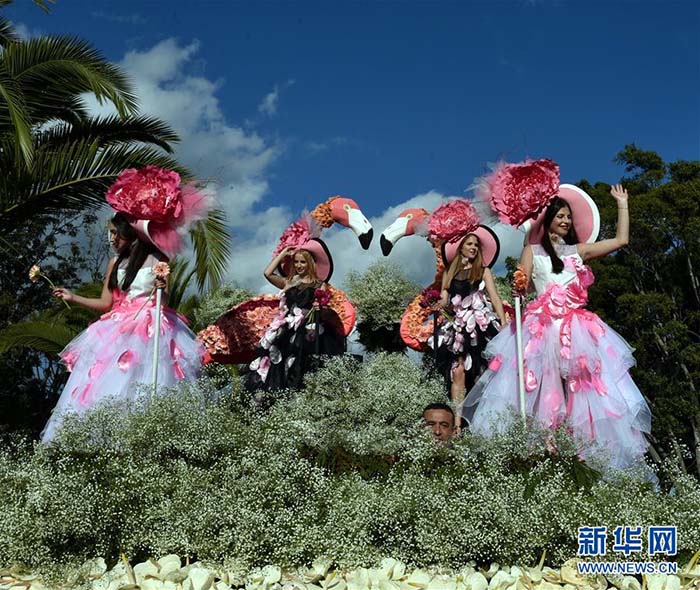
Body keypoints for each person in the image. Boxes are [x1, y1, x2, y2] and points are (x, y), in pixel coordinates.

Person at [465, 184, 652, 471]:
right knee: (540, 384)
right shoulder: (532, 250)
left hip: (575, 330)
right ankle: (545, 442)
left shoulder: (579, 251)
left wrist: (622, 204)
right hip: (541, 327)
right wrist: (518, 284)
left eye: (568, 217)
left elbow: (620, 240)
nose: (565, 221)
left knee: (585, 386)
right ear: (548, 219)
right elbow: (522, 285)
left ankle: (582, 448)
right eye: (560, 216)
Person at [43, 213, 204, 442]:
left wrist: (161, 288)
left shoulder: (160, 259)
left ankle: (147, 436)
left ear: (129, 233)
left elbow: (164, 299)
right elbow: (105, 303)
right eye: (110, 233)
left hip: (151, 324)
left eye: (114, 232)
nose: (111, 239)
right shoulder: (115, 263)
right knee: (108, 380)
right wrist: (73, 297)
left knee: (150, 376)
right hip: (118, 327)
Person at [249, 241, 344, 390]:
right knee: (280, 362)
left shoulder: (320, 284)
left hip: (309, 329)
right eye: (296, 262)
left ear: (310, 264)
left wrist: (320, 307)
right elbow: (267, 273)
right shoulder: (289, 282)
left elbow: (325, 306)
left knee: (304, 363)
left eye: (303, 262)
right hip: (287, 329)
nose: (299, 265)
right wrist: (283, 253)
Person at [435, 227, 506, 405]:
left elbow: (494, 298)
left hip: (480, 326)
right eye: (469, 244)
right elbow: (444, 298)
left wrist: (503, 322)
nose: (473, 247)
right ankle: (457, 420)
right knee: (457, 371)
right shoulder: (449, 272)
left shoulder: (483, 271)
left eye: (476, 244)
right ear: (461, 247)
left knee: (481, 371)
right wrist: (435, 304)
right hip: (458, 327)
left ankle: (478, 414)